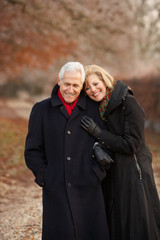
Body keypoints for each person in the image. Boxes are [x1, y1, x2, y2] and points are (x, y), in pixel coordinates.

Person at [24, 62, 110, 240]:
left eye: (76, 85)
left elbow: (106, 144)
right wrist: (45, 177)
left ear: (82, 85)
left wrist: (97, 174)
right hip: (56, 189)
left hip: (89, 186)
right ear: (59, 81)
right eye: (66, 84)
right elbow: (32, 151)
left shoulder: (95, 109)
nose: (70, 89)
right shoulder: (41, 110)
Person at [81, 64, 160, 240]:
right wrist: (96, 147)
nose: (93, 90)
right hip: (112, 173)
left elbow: (131, 144)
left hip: (134, 173)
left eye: (95, 83)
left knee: (137, 227)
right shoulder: (99, 108)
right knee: (117, 225)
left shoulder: (127, 102)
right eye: (87, 87)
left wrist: (99, 133)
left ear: (104, 80)